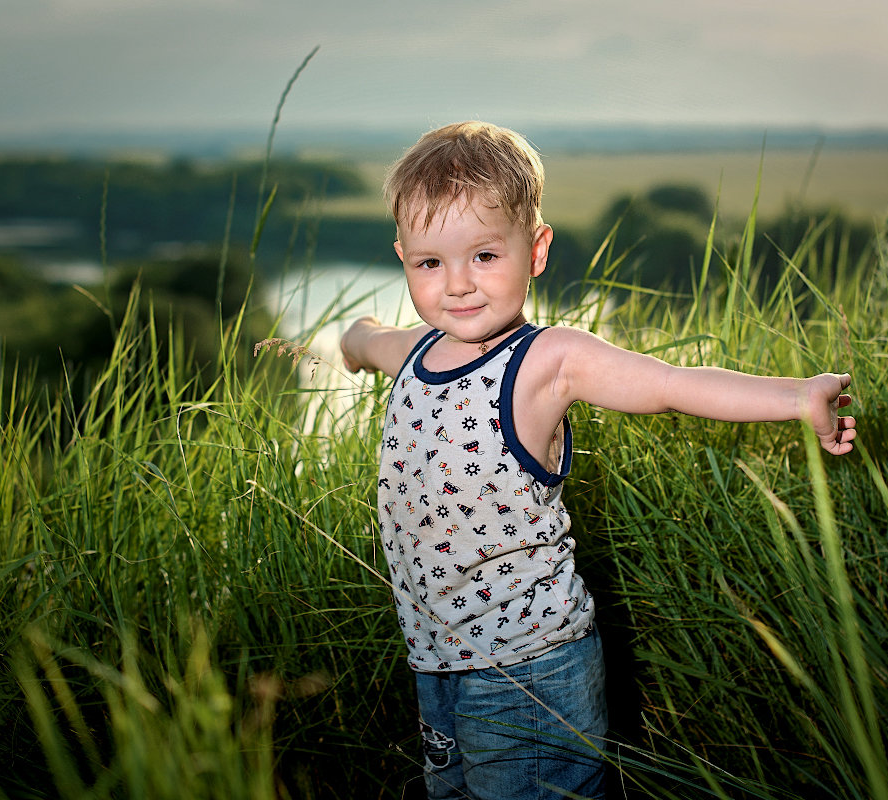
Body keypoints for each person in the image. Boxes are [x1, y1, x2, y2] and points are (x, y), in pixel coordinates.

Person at [338, 121, 856, 800]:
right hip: (435, 661)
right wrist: (349, 341)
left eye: (485, 256)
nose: (457, 285)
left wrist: (796, 397)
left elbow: (673, 383)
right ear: (404, 258)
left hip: (528, 671)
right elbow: (366, 337)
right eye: (430, 264)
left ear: (537, 249)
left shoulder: (548, 361)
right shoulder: (415, 352)